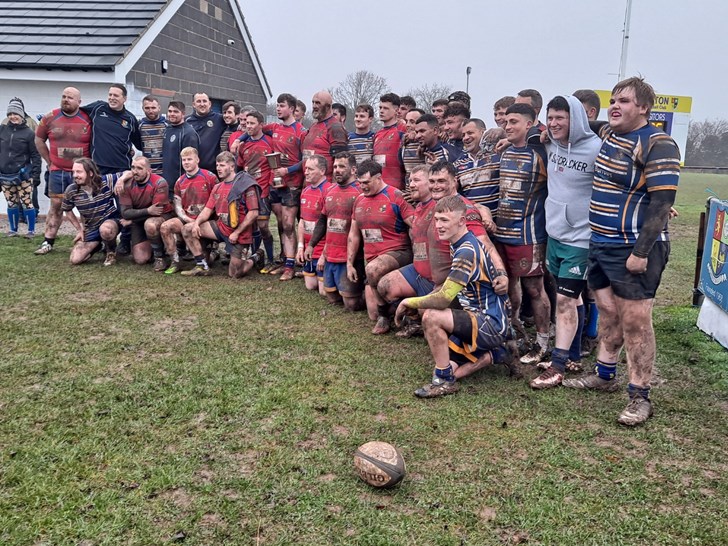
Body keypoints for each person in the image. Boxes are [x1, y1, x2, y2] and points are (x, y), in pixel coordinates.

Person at [563, 77, 681, 426]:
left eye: (624, 101)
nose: (615, 106)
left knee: (635, 321)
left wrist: (641, 252)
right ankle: (604, 374)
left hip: (633, 247)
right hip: (600, 242)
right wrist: (543, 132)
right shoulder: (609, 134)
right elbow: (581, 124)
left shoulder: (658, 143)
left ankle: (640, 395)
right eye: (613, 100)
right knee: (608, 312)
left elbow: (662, 202)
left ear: (644, 107)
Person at [395, 195, 509, 398]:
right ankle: (496, 354)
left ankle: (445, 383)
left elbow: (443, 299)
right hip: (477, 318)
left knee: (431, 316)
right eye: (437, 220)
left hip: (489, 322)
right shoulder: (458, 241)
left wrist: (407, 302)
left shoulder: (466, 250)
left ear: (462, 221)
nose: (438, 225)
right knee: (450, 369)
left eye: (445, 220)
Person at [528, 96, 601, 389]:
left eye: (561, 118)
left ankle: (557, 367)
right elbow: (531, 134)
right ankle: (572, 355)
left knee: (566, 300)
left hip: (581, 239)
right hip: (555, 233)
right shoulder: (551, 143)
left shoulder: (596, 148)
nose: (554, 123)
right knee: (571, 297)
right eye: (551, 117)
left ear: (577, 119)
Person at [494, 103, 551, 365]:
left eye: (514, 121)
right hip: (502, 232)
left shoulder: (542, 152)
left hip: (529, 235)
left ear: (530, 124)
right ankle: (514, 330)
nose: (508, 126)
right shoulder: (504, 152)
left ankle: (543, 342)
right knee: (507, 285)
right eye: (506, 122)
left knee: (535, 289)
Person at [347, 159, 415, 334]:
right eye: (360, 183)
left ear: (378, 178)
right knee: (372, 312)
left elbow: (416, 225)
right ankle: (398, 309)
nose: (362, 186)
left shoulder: (395, 196)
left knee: (373, 269)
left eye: (366, 182)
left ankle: (384, 317)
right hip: (372, 259)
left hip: (399, 252)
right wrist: (349, 263)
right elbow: (354, 235)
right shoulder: (359, 200)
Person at [81, 83, 142, 254]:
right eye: (110, 95)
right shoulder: (97, 108)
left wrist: (131, 152)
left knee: (124, 208)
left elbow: (139, 144)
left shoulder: (130, 119)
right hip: (98, 169)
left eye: (116, 95)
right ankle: (101, 240)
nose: (112, 98)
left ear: (124, 99)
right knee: (97, 207)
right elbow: (76, 112)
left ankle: (125, 242)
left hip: (121, 171)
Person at [180, 152, 262, 278]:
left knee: (235, 273)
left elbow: (253, 213)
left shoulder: (245, 185)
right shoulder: (217, 187)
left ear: (232, 167)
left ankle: (256, 256)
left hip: (240, 233)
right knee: (187, 229)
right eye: (217, 165)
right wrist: (196, 223)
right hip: (221, 227)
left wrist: (237, 232)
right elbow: (207, 210)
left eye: (222, 165)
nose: (218, 168)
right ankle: (202, 266)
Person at [34, 87, 92, 254]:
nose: (66, 100)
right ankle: (48, 241)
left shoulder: (88, 118)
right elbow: (38, 139)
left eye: (70, 98)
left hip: (82, 173)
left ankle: (89, 240)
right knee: (56, 206)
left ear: (79, 102)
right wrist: (49, 162)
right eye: (64, 96)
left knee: (86, 207)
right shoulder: (50, 117)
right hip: (58, 172)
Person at [305, 152, 363, 311]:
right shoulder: (330, 190)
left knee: (351, 305)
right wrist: (311, 245)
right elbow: (322, 220)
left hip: (350, 257)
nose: (337, 170)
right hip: (331, 255)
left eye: (342, 166)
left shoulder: (360, 192)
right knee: (330, 298)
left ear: (353, 170)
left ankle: (366, 291)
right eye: (335, 166)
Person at [160, 147, 217, 274]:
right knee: (165, 227)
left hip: (205, 221)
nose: (186, 162)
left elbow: (216, 204)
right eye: (184, 160)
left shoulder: (210, 177)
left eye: (189, 159)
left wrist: (200, 220)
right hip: (187, 219)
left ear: (197, 160)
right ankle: (175, 261)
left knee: (208, 260)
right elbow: (178, 206)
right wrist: (188, 219)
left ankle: (212, 252)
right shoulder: (179, 181)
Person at [61, 157, 125, 266]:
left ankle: (111, 252)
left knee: (105, 230)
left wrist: (121, 180)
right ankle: (97, 246)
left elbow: (129, 173)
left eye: (79, 172)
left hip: (110, 221)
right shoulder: (71, 190)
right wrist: (79, 229)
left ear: (90, 173)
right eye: (73, 172)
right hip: (91, 227)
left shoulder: (105, 181)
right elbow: (67, 210)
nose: (75, 175)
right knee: (75, 259)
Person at [116, 156, 175, 270]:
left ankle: (159, 257)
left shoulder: (160, 182)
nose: (135, 171)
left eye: (139, 168)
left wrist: (132, 218)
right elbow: (125, 213)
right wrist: (146, 211)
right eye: (133, 167)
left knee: (151, 224)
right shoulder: (126, 184)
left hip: (161, 216)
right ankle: (154, 245)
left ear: (149, 171)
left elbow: (157, 212)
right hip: (140, 219)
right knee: (141, 259)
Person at [237, 110, 276, 268]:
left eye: (252, 123)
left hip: (263, 191)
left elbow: (274, 166)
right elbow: (239, 167)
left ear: (261, 125)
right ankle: (256, 256)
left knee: (263, 226)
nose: (248, 126)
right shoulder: (243, 145)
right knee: (251, 225)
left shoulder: (269, 142)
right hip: (247, 192)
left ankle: (271, 259)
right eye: (246, 123)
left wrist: (270, 186)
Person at [1, 98, 41, 237]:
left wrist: (35, 175)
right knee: (11, 203)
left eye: (15, 114)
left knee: (27, 202)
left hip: (23, 175)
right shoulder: (2, 130)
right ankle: (13, 230)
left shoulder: (29, 133)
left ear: (21, 114)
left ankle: (31, 231)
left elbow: (35, 155)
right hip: (5, 174)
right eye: (10, 114)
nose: (13, 117)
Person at [296, 155, 332, 294]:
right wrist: (300, 247)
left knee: (324, 292)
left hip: (322, 249)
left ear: (322, 171)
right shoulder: (305, 191)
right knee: (310, 286)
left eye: (310, 169)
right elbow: (302, 221)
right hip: (308, 251)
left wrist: (324, 254)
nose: (306, 172)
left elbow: (331, 227)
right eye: (305, 169)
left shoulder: (329, 191)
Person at [454, 118, 501, 217]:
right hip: (472, 220)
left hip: (497, 221)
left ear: (483, 133)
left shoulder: (497, 155)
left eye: (470, 133)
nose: (466, 138)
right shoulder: (458, 163)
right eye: (463, 135)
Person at [302, 90, 348, 178]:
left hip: (325, 182)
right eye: (313, 102)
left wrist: (335, 185)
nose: (314, 106)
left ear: (328, 106)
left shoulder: (335, 127)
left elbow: (341, 161)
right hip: (308, 182)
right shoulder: (313, 126)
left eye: (318, 103)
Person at [162, 101, 200, 194]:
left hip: (181, 187)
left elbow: (191, 163)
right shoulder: (167, 129)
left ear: (183, 114)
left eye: (175, 111)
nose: (172, 114)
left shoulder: (188, 133)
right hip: (167, 184)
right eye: (170, 111)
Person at [185, 92, 226, 172]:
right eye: (198, 101)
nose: (202, 104)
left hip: (213, 170)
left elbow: (234, 123)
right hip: (192, 170)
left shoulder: (219, 119)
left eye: (204, 101)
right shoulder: (186, 121)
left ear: (209, 104)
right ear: (193, 104)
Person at [373, 93, 406, 190]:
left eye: (386, 108)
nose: (381, 111)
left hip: (397, 187)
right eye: (380, 108)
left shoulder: (402, 129)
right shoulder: (377, 134)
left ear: (396, 110)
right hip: (379, 186)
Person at [139, 95, 166, 175]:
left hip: (165, 171)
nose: (150, 111)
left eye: (153, 108)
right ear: (143, 108)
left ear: (159, 108)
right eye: (147, 108)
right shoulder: (139, 125)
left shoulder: (168, 125)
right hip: (147, 172)